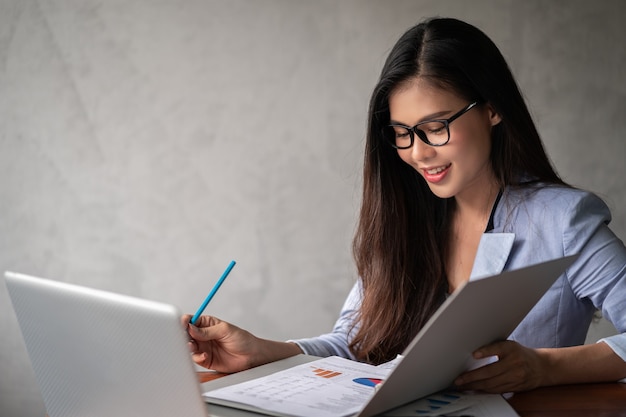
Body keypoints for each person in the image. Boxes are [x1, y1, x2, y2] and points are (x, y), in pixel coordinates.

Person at [183, 17, 626, 393]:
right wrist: (265, 351)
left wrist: (545, 368)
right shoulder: (404, 220)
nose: (418, 153)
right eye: (402, 133)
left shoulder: (562, 220)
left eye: (435, 127)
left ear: (491, 110)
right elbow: (353, 345)